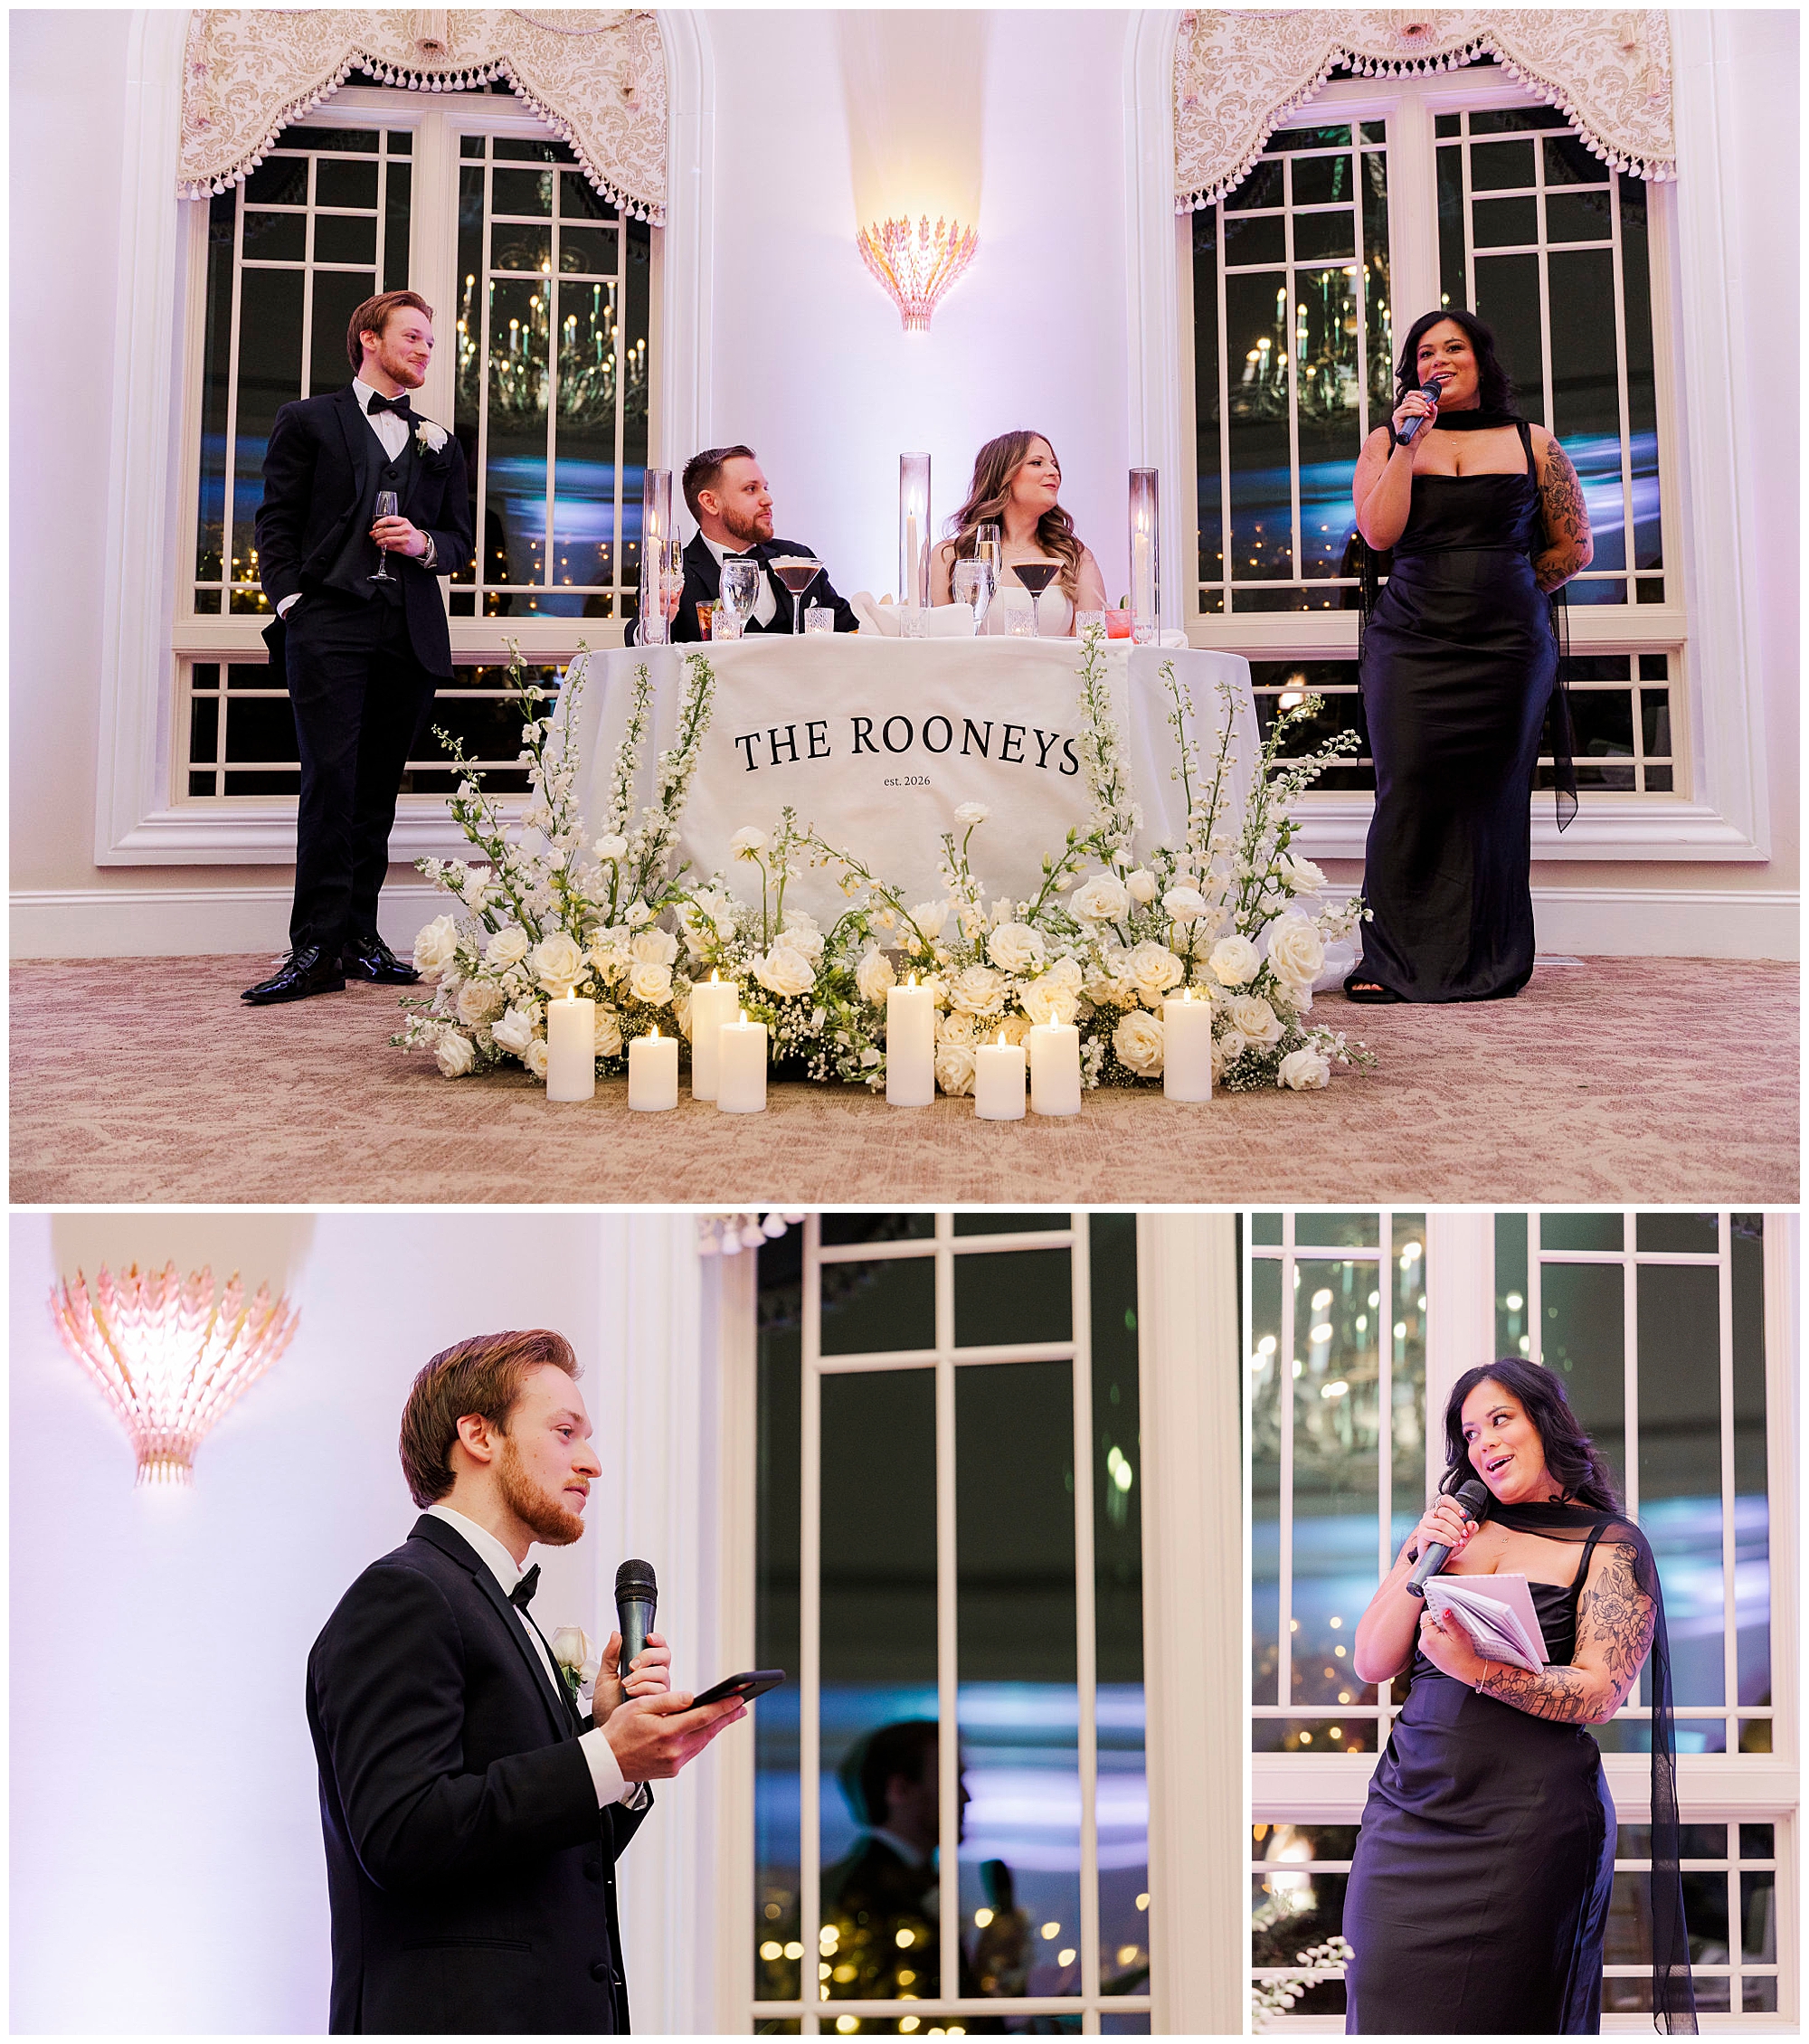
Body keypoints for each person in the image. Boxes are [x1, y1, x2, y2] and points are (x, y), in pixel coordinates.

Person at [305, 1330, 746, 2033]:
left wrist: (606, 1743)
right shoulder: (405, 1594)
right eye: (565, 1431)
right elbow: (401, 1833)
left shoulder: (496, 1608)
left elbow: (547, 1873)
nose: (592, 1462)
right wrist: (605, 1758)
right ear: (478, 1436)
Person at [1342, 1358, 1695, 2035]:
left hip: (1528, 1831)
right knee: (1383, 2001)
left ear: (1547, 1423)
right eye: (1471, 1434)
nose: (1485, 1444)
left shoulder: (1611, 1543)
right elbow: (1372, 1658)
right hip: (1410, 1815)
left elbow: (1599, 1694)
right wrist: (1420, 1552)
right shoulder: (1449, 1537)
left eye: (1501, 1419)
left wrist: (1474, 1668)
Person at [1345, 308, 1590, 1002]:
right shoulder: (1385, 442)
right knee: (1409, 785)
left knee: (1493, 793)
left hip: (1507, 646)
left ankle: (1489, 958)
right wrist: (1406, 446)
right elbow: (1381, 534)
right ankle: (1389, 960)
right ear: (1412, 371)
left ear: (1481, 359)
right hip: (1413, 639)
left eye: (1453, 347)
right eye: (1425, 352)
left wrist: (1507, 590)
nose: (1438, 360)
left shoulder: (1531, 441)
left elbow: (1576, 547)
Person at [245, 290, 475, 1005]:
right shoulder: (308, 420)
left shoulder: (440, 439)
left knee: (376, 791)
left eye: (432, 342)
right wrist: (292, 603)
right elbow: (275, 522)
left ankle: (359, 940)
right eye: (413, 336)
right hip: (329, 626)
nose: (426, 350)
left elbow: (460, 541)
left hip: (405, 630)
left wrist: (422, 543)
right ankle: (313, 949)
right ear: (368, 339)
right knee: (329, 784)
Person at [627, 445, 858, 643]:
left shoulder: (798, 557)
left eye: (765, 488)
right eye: (750, 489)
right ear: (710, 502)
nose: (767, 500)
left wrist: (884, 617)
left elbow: (851, 630)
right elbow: (640, 642)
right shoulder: (672, 570)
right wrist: (652, 623)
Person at [931, 431, 1109, 635]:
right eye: (1036, 463)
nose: (1054, 472)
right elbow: (938, 646)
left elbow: (1094, 647)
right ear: (1002, 475)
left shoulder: (1075, 557)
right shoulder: (950, 556)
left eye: (1054, 464)